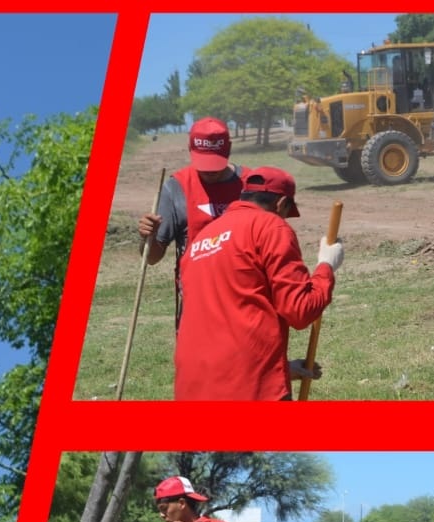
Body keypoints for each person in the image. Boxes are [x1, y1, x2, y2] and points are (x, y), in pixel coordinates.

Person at [173, 167, 343, 400]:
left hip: (194, 387)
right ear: (282, 204)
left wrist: (281, 367)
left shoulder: (202, 238)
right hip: (249, 390)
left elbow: (225, 317)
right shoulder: (270, 227)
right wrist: (326, 266)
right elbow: (300, 310)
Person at [137, 118, 248, 327]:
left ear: (230, 149)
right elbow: (151, 258)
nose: (210, 171)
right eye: (203, 162)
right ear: (190, 149)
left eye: (216, 162)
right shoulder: (175, 188)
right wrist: (147, 238)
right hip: (196, 303)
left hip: (244, 299)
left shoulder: (251, 185)